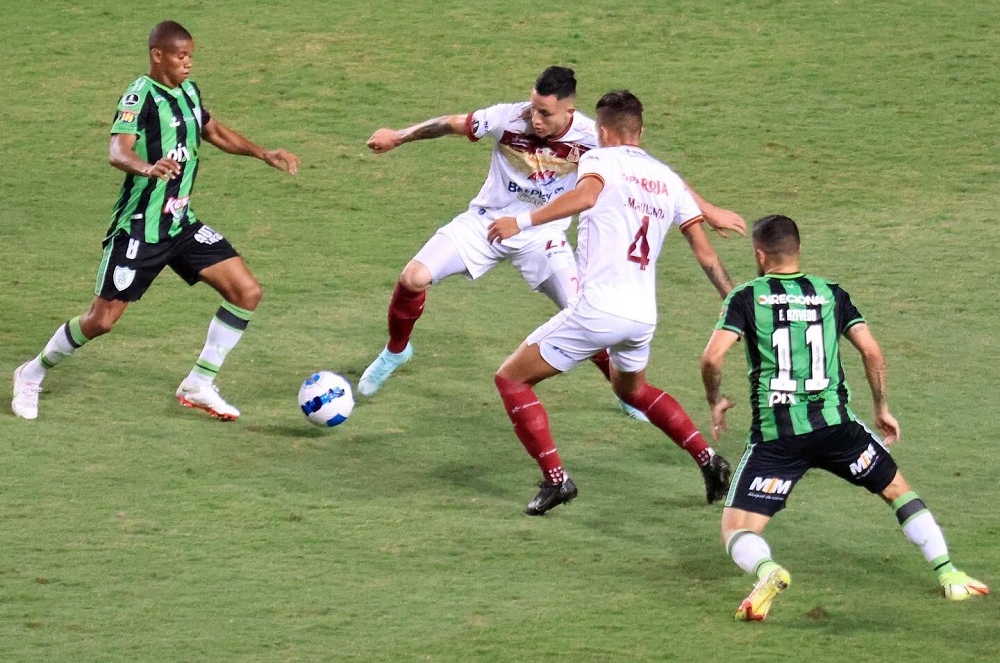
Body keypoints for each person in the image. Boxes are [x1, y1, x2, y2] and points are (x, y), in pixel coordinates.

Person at [358, 67, 744, 418]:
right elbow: (451, 123)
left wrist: (706, 209)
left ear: (569, 111)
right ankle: (396, 351)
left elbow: (650, 171)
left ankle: (626, 391)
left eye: (545, 113)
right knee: (413, 277)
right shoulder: (507, 117)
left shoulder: (594, 138)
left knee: (587, 313)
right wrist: (399, 137)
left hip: (542, 234)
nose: (535, 118)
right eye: (533, 107)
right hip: (487, 223)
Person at [700, 214, 989, 621]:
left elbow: (713, 357)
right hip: (838, 429)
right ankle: (950, 574)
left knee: (737, 530)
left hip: (777, 438)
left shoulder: (747, 297)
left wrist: (716, 399)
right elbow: (872, 351)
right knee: (898, 492)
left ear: (760, 255)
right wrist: (881, 407)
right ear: (797, 250)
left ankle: (767, 572)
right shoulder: (830, 293)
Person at [11, 20, 299, 421]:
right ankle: (31, 372)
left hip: (181, 224)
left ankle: (198, 383)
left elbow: (213, 131)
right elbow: (117, 150)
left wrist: (262, 153)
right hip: (139, 229)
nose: (188, 64)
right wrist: (146, 169)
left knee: (246, 291)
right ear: (157, 55)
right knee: (102, 320)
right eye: (181, 56)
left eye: (191, 57)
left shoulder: (189, 93)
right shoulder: (139, 96)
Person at [487, 90, 738, 515]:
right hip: (642, 317)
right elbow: (705, 253)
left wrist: (521, 221)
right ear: (639, 130)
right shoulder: (667, 179)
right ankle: (709, 459)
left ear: (602, 131)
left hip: (598, 311)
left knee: (510, 379)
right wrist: (733, 301)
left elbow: (585, 197)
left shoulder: (599, 159)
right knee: (633, 390)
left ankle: (556, 480)